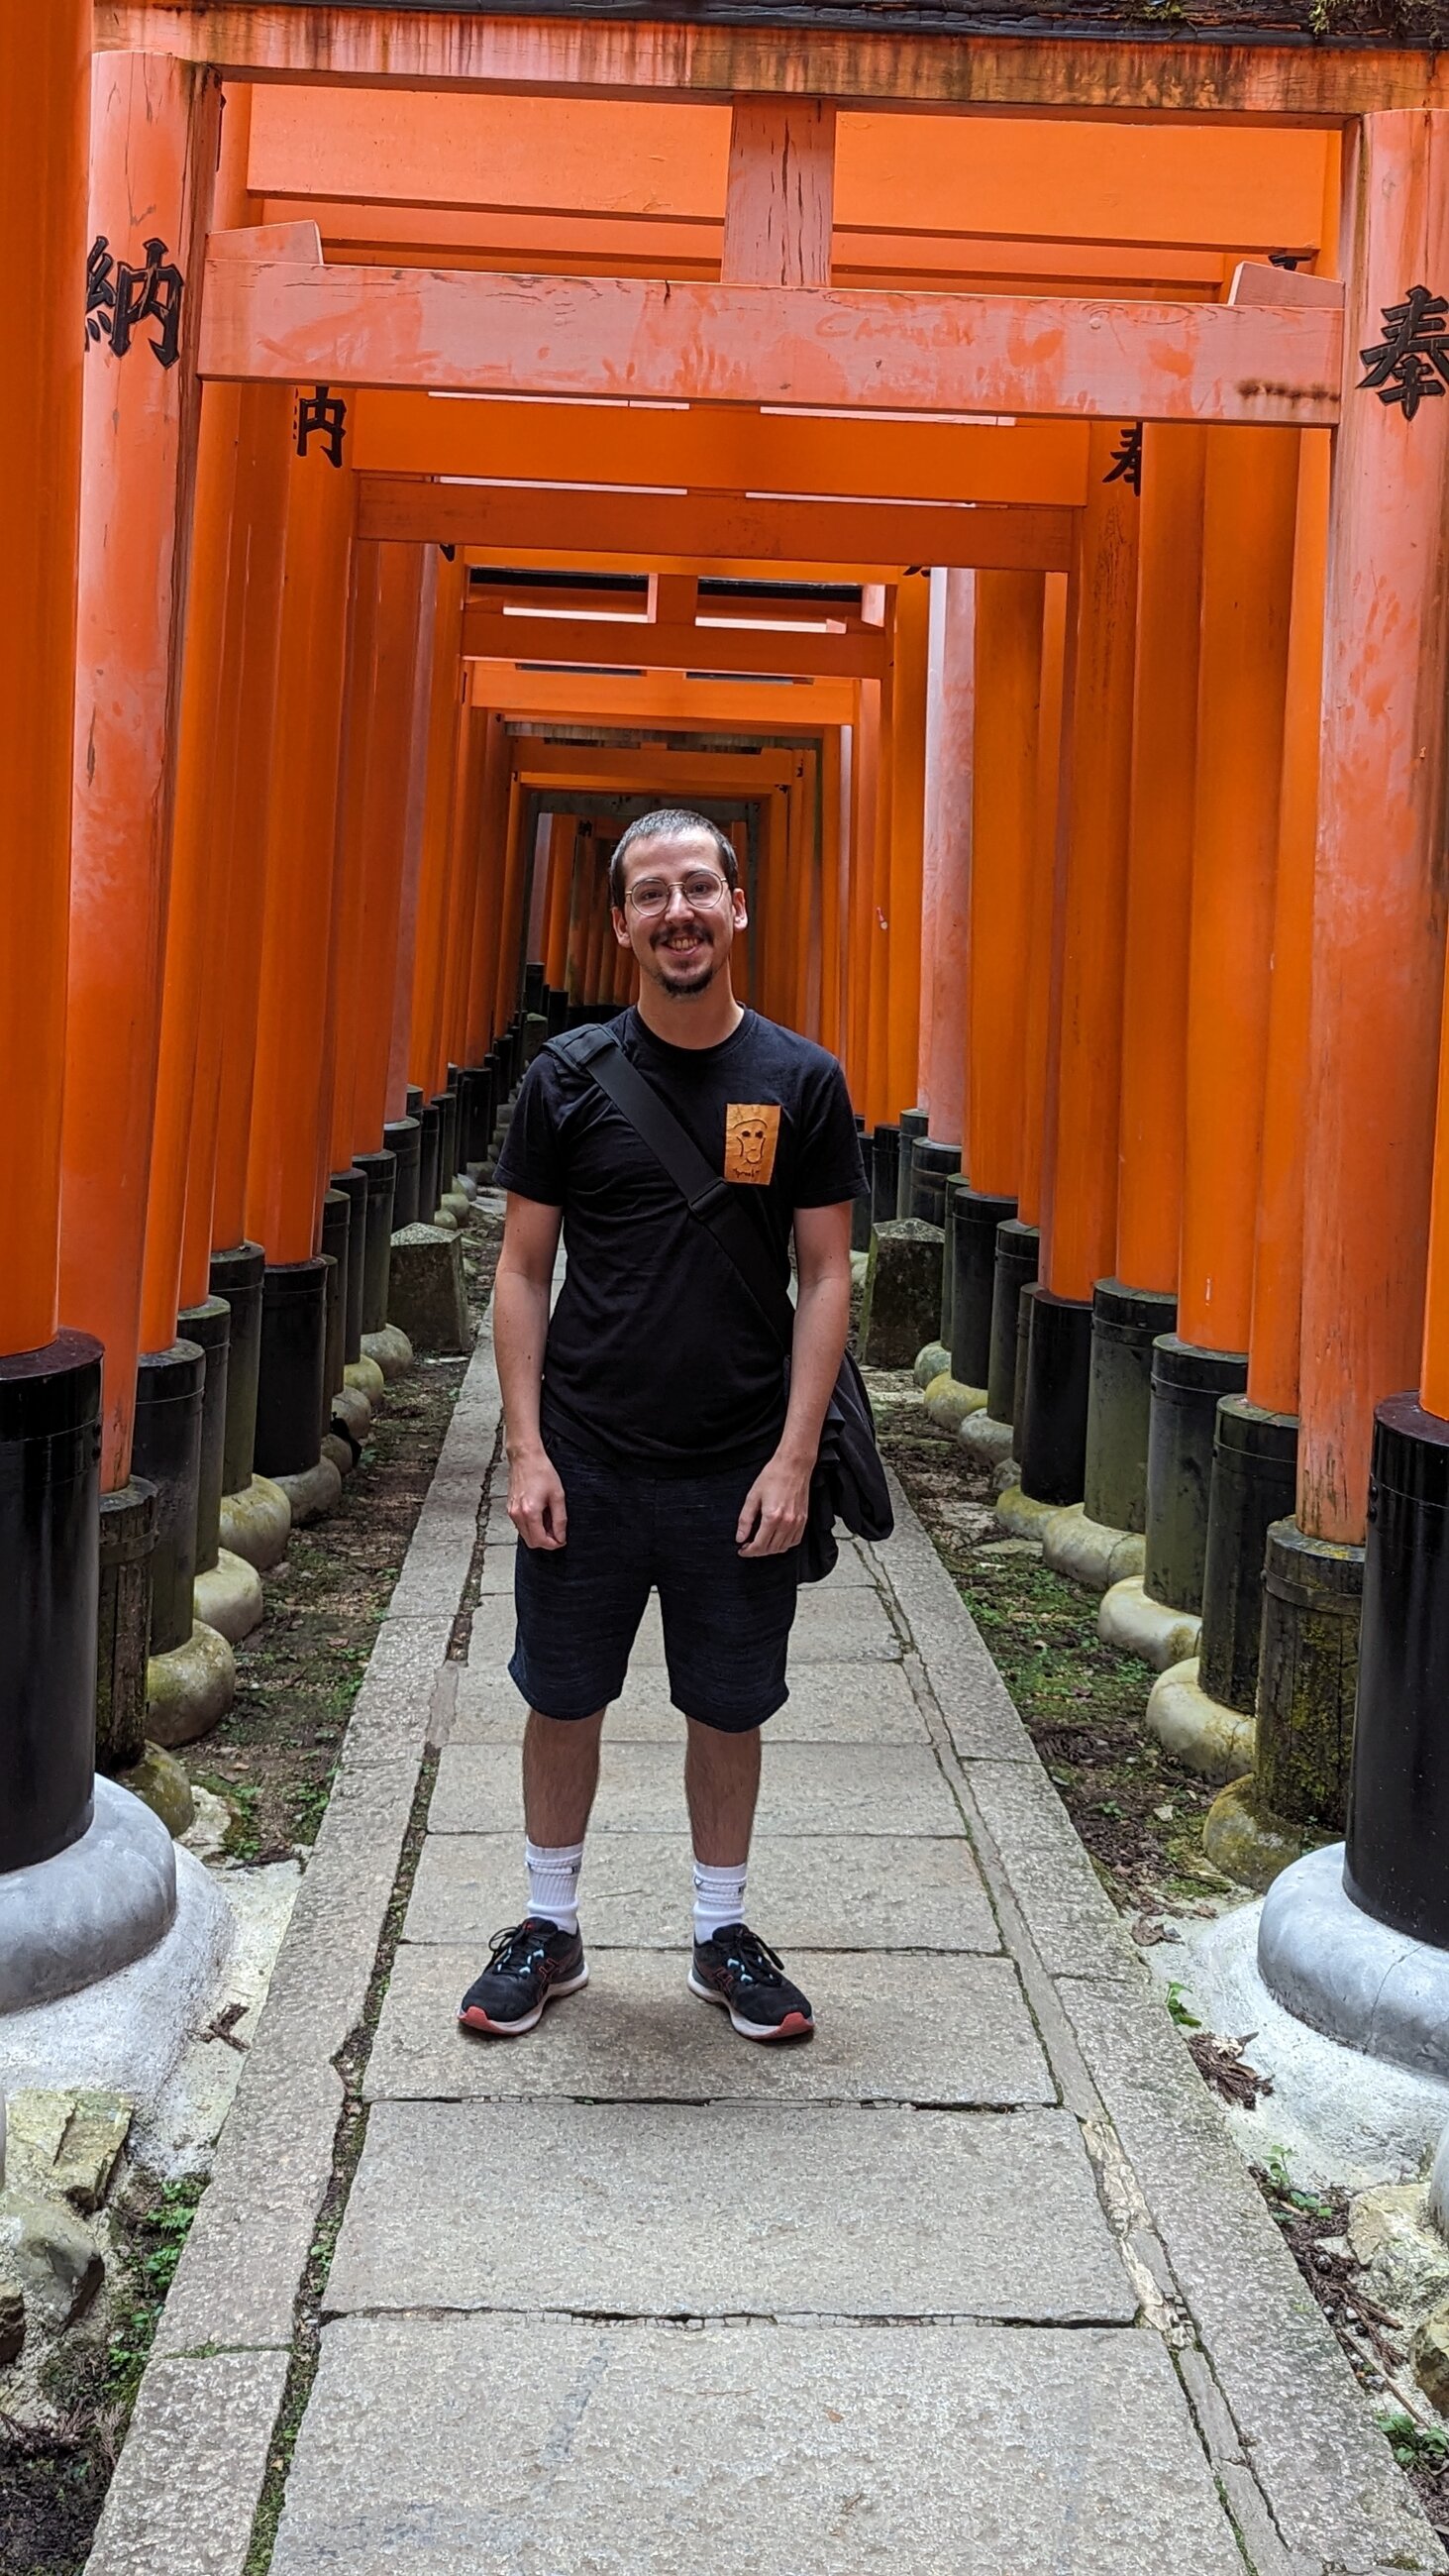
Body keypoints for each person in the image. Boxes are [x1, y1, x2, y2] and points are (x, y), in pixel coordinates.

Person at [459, 806, 865, 2045]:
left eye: (698, 887)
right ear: (622, 922)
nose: (676, 910)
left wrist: (795, 1458)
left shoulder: (800, 1080)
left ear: (737, 907)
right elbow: (522, 1268)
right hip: (584, 1449)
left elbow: (827, 1274)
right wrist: (524, 1448)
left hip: (737, 1460)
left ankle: (719, 1929)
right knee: (562, 1693)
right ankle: (547, 1923)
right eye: (650, 893)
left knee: (728, 1705)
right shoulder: (565, 1078)